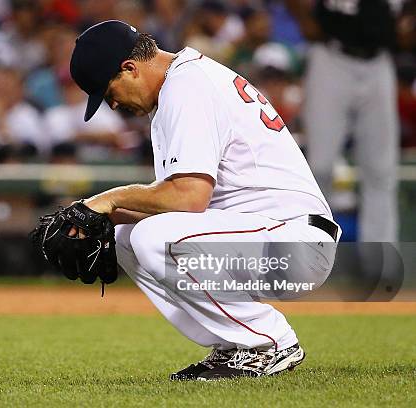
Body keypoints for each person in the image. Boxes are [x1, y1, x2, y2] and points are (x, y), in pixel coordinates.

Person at [69, 20, 340, 380]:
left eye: (109, 92)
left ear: (130, 68)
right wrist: (99, 217)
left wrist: (110, 199)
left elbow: (189, 198)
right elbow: (180, 201)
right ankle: (235, 347)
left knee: (153, 237)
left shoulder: (187, 87)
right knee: (125, 238)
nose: (113, 105)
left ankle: (269, 342)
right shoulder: (178, 88)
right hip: (263, 235)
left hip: (294, 241)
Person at [286, 0, 401, 242]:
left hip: (379, 60)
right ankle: (310, 253)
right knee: (320, 165)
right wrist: (305, 19)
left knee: (381, 170)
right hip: (332, 56)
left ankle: (380, 264)